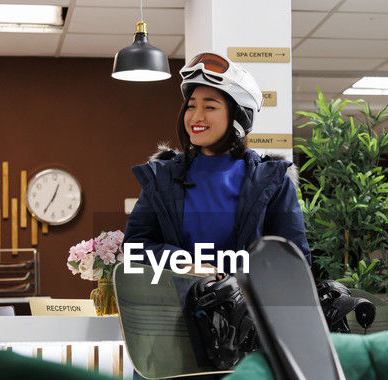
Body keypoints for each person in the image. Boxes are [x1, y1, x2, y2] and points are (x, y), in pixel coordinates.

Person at [123, 51, 310, 270]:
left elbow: (295, 261)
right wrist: (184, 263)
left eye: (210, 107)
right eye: (191, 106)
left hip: (245, 303)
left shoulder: (272, 181)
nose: (196, 116)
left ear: (239, 116)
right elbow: (135, 248)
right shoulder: (162, 176)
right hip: (176, 303)